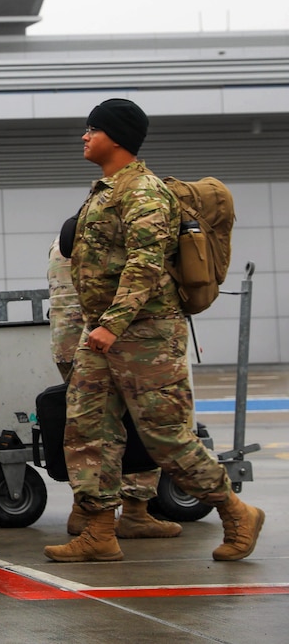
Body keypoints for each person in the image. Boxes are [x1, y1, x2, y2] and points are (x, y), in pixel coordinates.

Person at [44, 98, 264, 563]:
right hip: (101, 334)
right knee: (87, 431)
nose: (84, 136)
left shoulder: (143, 192)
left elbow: (146, 266)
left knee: (167, 439)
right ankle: (100, 531)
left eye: (92, 129)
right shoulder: (104, 191)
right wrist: (100, 329)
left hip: (145, 337)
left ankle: (236, 511)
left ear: (116, 136)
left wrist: (113, 324)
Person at [48, 236, 181, 540]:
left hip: (70, 342)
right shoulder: (124, 234)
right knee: (139, 422)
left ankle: (85, 512)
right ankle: (135, 512)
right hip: (111, 339)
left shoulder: (66, 235)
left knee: (88, 428)